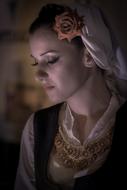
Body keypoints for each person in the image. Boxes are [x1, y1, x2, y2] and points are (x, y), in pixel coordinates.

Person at [15, 2, 127, 190]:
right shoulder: (36, 127)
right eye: (36, 62)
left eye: (51, 59)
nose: (38, 75)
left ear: (89, 56)